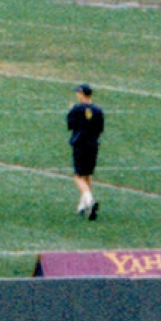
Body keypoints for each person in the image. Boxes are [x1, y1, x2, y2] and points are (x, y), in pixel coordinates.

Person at [69, 84, 105, 220]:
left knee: (78, 176)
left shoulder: (77, 109)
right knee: (88, 175)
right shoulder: (98, 110)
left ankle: (90, 201)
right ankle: (82, 206)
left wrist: (71, 111)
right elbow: (100, 128)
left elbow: (71, 125)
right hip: (93, 144)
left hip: (80, 144)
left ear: (81, 94)